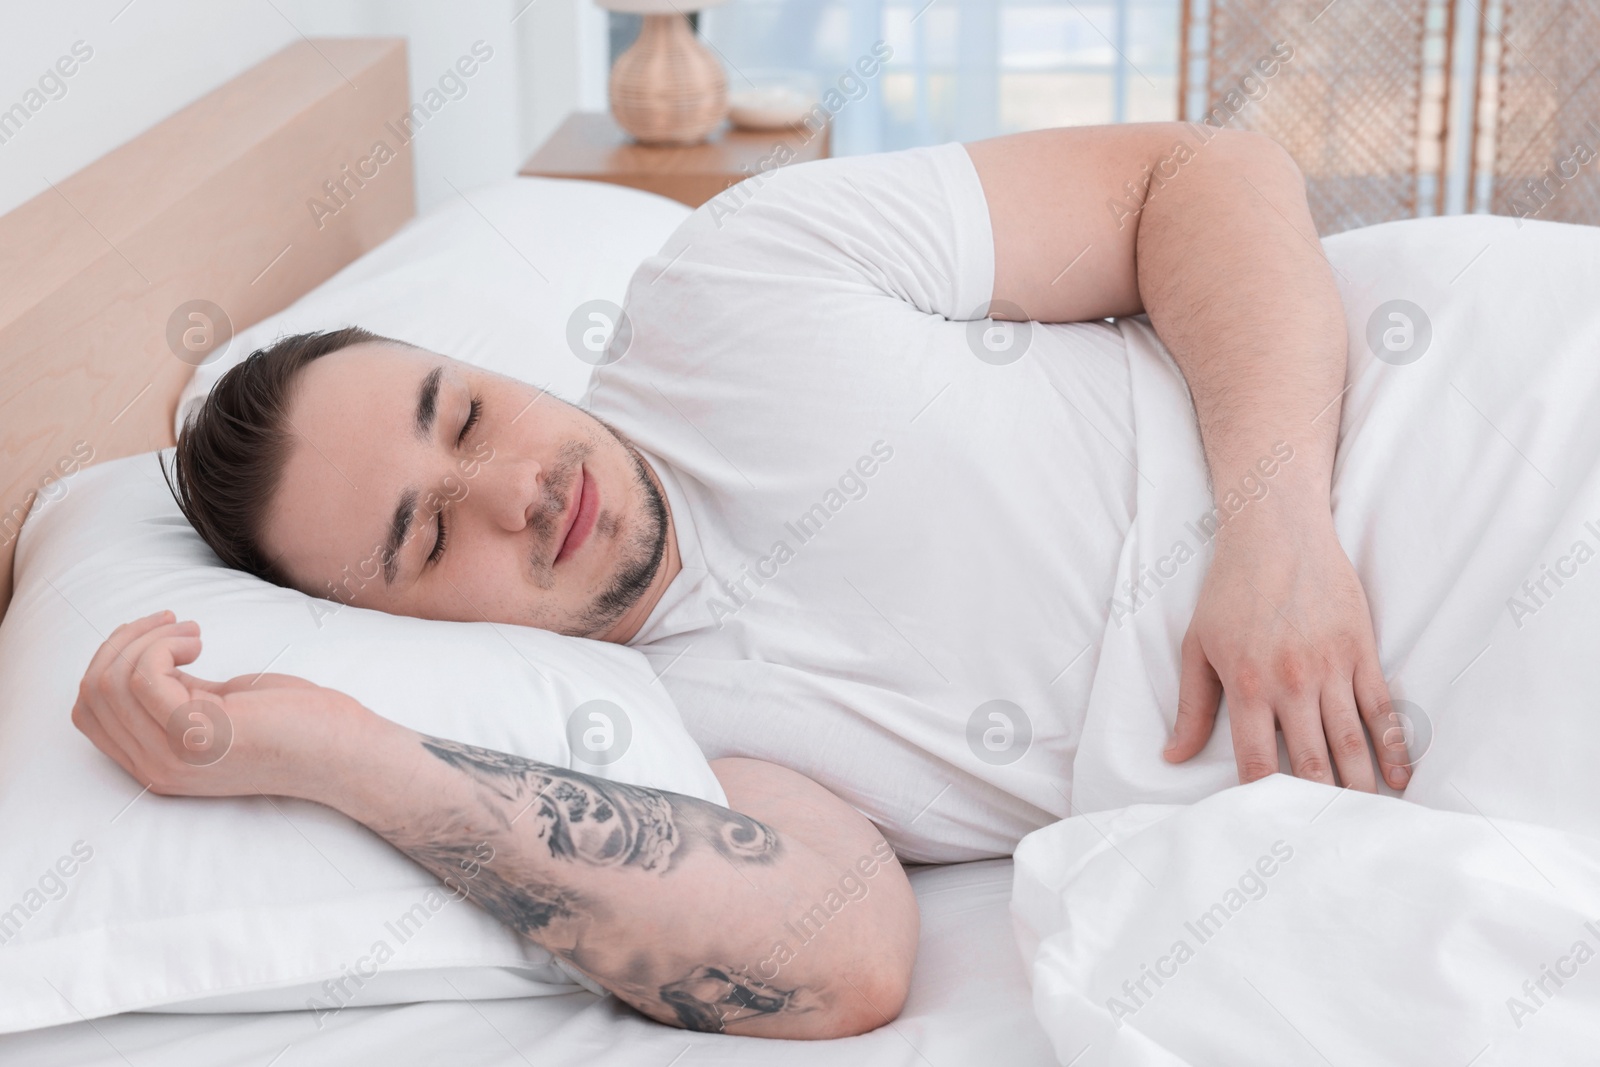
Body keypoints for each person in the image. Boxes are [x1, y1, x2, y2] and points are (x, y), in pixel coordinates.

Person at [75, 122, 1407, 1035]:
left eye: (468, 414)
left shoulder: (739, 277)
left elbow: (1199, 172)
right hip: (1431, 729)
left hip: (1430, 433)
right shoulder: (680, 739)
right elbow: (845, 967)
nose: (517, 492)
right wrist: (334, 750)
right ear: (392, 625)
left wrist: (1273, 529)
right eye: (428, 540)